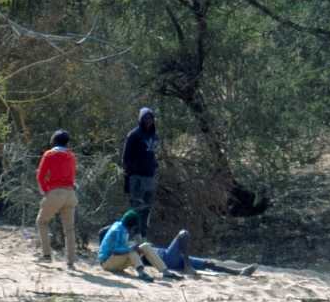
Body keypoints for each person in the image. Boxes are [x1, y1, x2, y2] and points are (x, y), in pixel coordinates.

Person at [35, 130, 79, 268]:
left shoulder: (49, 154)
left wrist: (46, 191)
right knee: (69, 229)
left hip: (55, 193)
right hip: (70, 194)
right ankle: (71, 261)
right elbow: (72, 176)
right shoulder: (71, 156)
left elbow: (40, 176)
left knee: (42, 222)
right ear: (67, 142)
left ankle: (47, 255)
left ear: (53, 141)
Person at [97, 209, 169, 281]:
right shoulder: (117, 230)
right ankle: (141, 273)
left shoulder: (123, 227)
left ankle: (165, 271)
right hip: (107, 263)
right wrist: (130, 248)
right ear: (131, 224)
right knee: (131, 250)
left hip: (117, 262)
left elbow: (123, 247)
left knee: (145, 246)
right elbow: (114, 250)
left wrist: (136, 248)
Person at [121, 107, 160, 239]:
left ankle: (143, 237)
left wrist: (155, 167)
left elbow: (153, 155)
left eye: (151, 118)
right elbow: (126, 158)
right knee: (136, 209)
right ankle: (133, 237)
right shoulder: (134, 135)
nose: (149, 121)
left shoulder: (155, 136)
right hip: (136, 177)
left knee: (147, 210)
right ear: (141, 119)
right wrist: (128, 177)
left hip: (149, 178)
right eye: (146, 118)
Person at [153, 230, 257, 277]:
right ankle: (187, 266)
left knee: (208, 263)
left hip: (174, 259)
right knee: (183, 234)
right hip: (167, 258)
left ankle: (237, 272)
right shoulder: (139, 249)